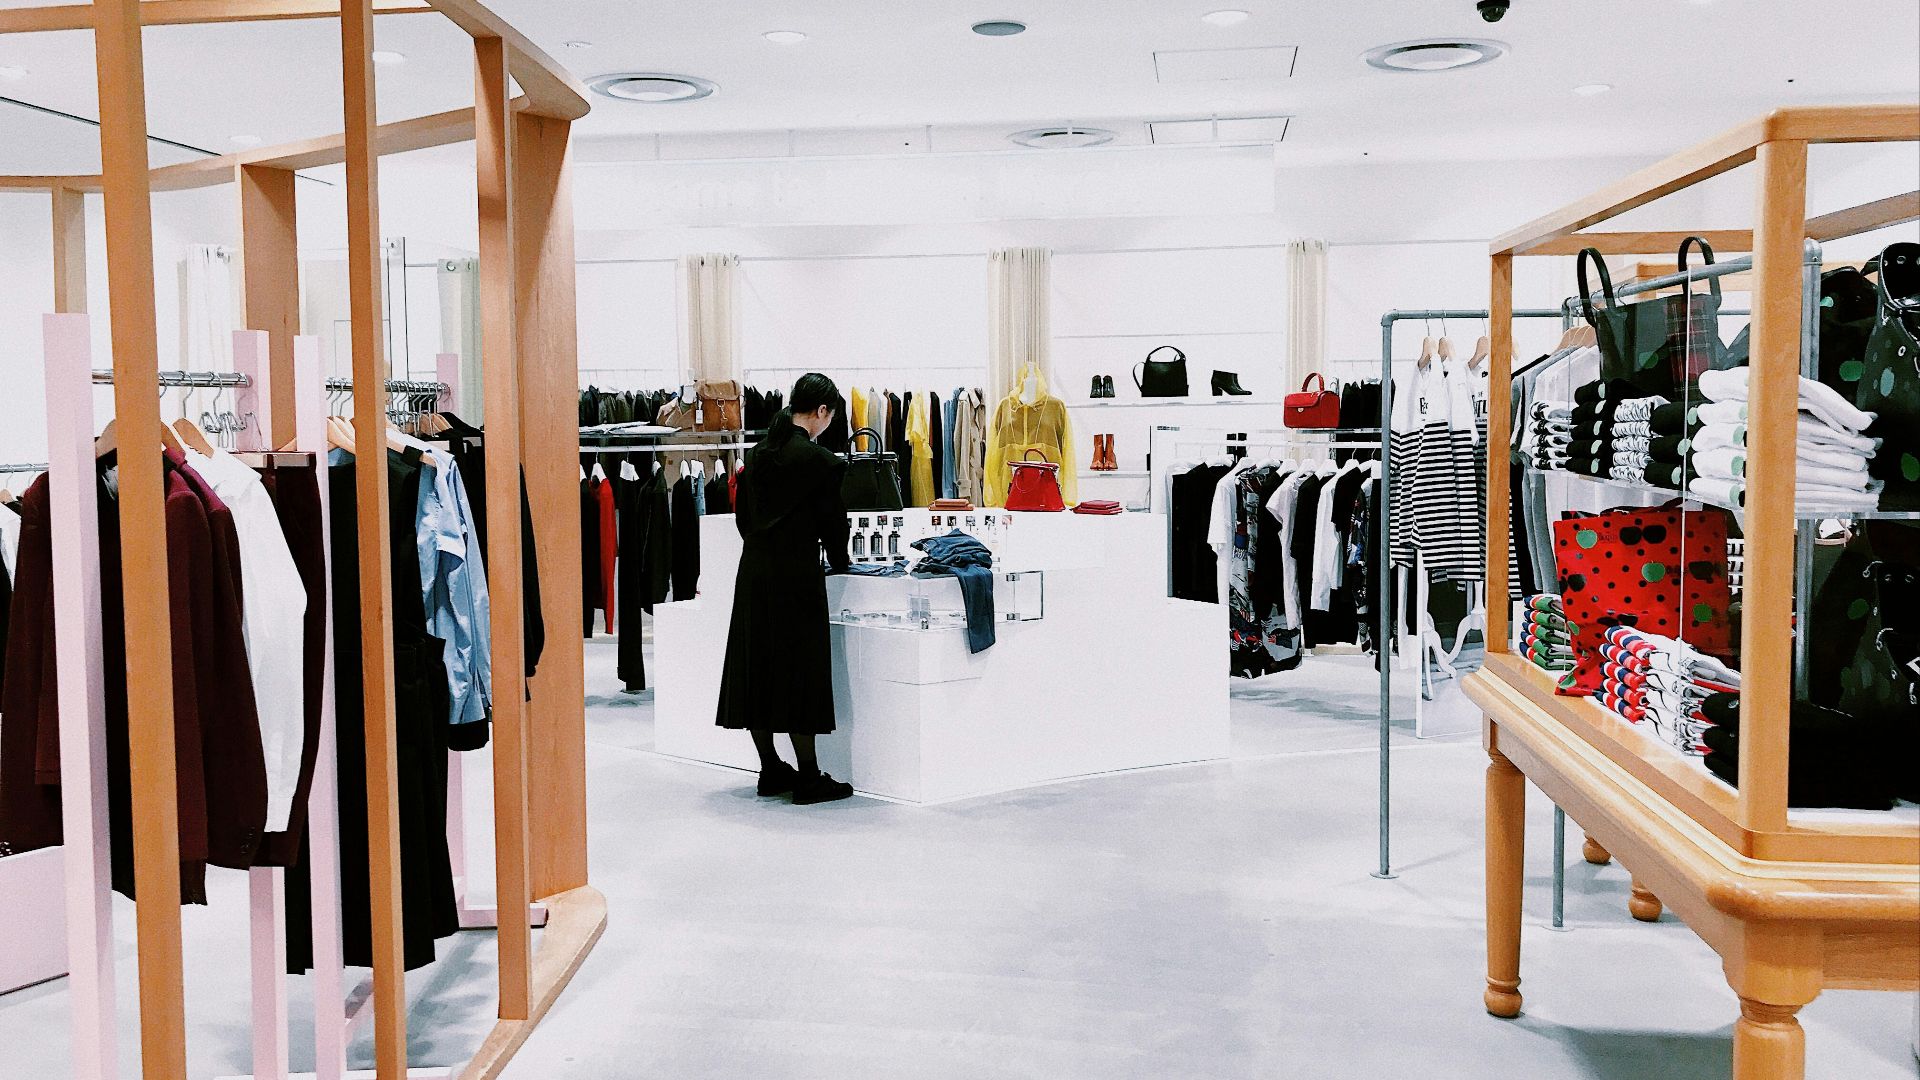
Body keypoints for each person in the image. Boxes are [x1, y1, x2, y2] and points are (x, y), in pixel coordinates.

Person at [715, 373, 856, 804]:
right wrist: (842, 563)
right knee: (801, 671)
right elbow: (834, 529)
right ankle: (809, 777)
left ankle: (771, 768)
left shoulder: (757, 456)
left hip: (755, 573)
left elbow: (742, 519)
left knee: (758, 667)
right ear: (822, 412)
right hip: (796, 575)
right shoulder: (819, 462)